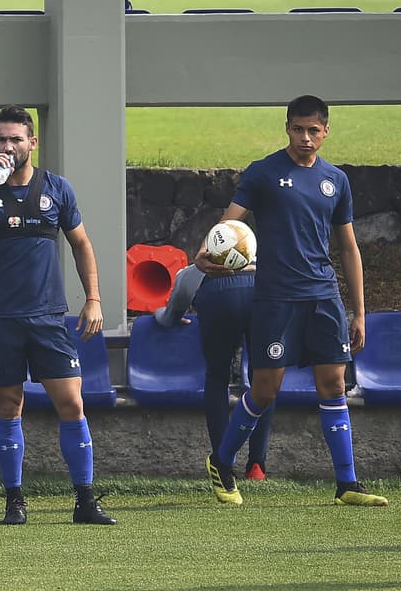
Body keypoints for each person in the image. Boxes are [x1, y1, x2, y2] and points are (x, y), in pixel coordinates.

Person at [196, 94, 385, 508]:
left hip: (323, 295)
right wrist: (206, 250)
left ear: (326, 132)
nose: (305, 137)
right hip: (275, 297)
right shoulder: (263, 172)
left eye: (313, 130)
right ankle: (222, 462)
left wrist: (359, 312)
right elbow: (230, 224)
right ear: (287, 128)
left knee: (334, 384)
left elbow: (349, 249)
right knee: (265, 388)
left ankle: (347, 484)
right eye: (298, 129)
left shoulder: (336, 180)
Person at [0, 105, 116, 526]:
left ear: (32, 143)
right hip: (0, 318)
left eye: (16, 139)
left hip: (48, 318)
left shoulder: (57, 189)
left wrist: (94, 299)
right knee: (7, 405)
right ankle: (15, 501)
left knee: (72, 403)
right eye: (2, 139)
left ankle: (85, 500)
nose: (8, 146)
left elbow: (82, 244)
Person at [154, 261, 276, 480]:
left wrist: (159, 313)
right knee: (264, 379)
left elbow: (169, 317)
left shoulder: (191, 272)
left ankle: (224, 464)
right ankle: (257, 464)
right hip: (261, 293)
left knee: (217, 377)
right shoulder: (265, 263)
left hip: (216, 298)